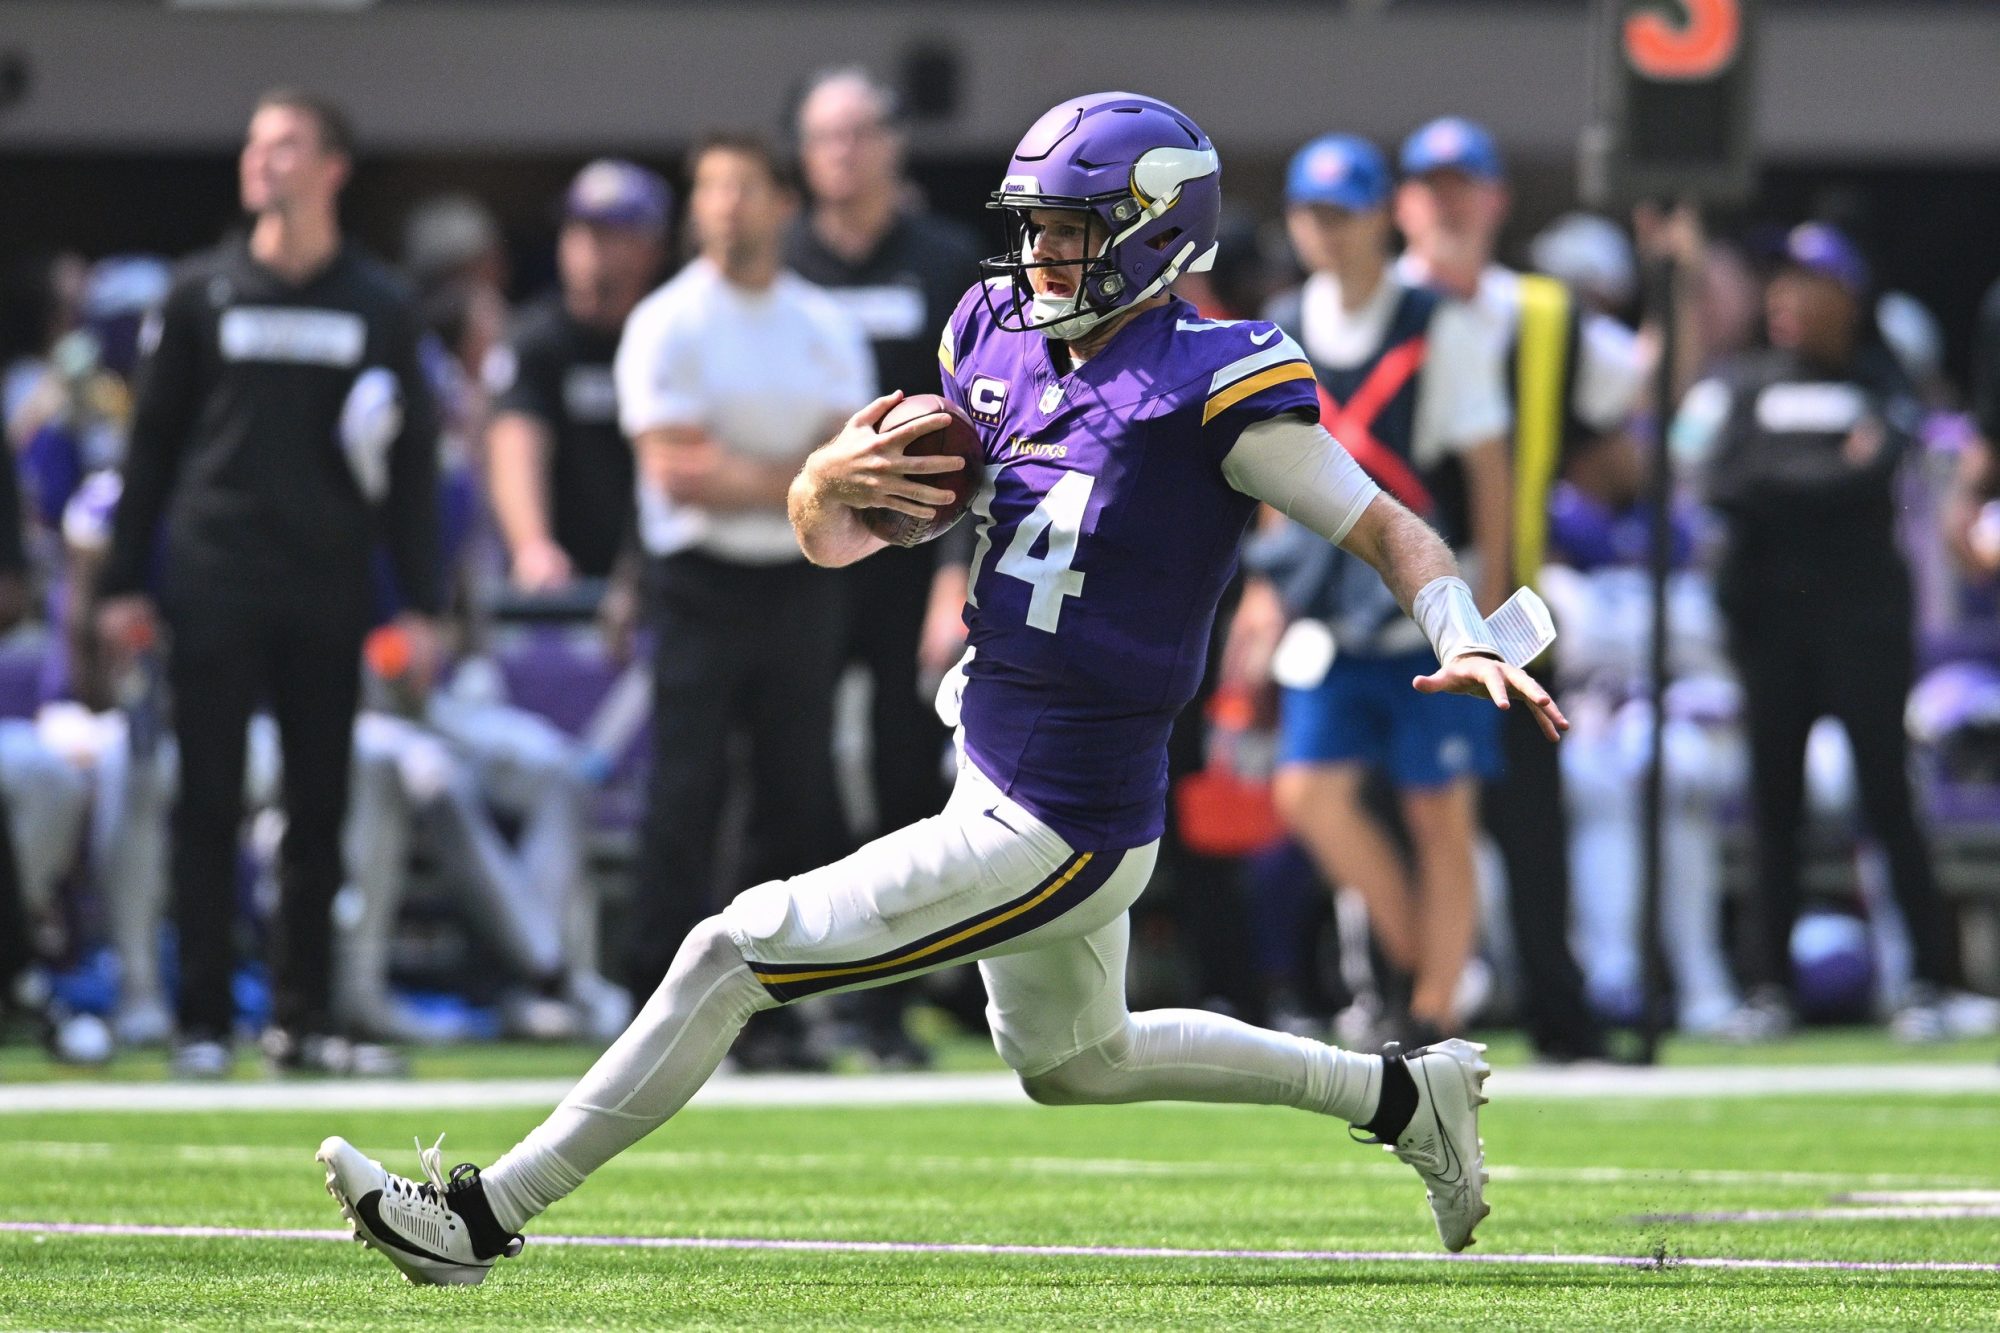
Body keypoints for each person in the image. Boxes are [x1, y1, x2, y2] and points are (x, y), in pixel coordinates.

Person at [318, 92, 1566, 1285]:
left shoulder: (1212, 386)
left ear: (1153, 231)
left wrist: (1459, 623)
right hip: (996, 756)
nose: (1042, 259)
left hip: (1062, 813)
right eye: (1034, 230)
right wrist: (820, 481)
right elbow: (827, 539)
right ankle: (1407, 1096)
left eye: (1072, 233)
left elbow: (1392, 529)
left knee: (732, 947)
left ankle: (482, 1216)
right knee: (1078, 1061)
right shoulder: (992, 352)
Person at [96, 89, 440, 1078]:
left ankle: (304, 1016)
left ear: (333, 166)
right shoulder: (201, 292)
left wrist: (420, 606)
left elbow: (412, 472)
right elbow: (150, 449)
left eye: (285, 144)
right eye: (254, 144)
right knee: (204, 800)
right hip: (214, 579)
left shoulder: (378, 303)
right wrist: (125, 581)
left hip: (325, 584)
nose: (263, 161)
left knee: (318, 805)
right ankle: (202, 1017)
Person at [1229, 133, 1511, 1047]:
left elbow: (1488, 467)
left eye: (1345, 215)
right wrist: (1269, 592)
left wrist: (1488, 597)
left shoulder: (1435, 320)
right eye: (1313, 216)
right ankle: (1424, 967)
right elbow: (1275, 477)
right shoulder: (1279, 324)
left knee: (1441, 809)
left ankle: (1432, 1006)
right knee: (1307, 792)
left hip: (1422, 603)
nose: (1330, 234)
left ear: (1384, 217)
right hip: (1325, 600)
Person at [608, 133, 873, 1069]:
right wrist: (804, 473)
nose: (722, 204)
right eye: (709, 185)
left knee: (795, 796)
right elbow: (679, 473)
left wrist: (769, 475)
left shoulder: (819, 321)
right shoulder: (666, 322)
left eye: (742, 186)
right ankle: (653, 1000)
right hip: (698, 583)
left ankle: (772, 1006)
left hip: (800, 578)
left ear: (782, 204)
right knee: (685, 790)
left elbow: (855, 465)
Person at [1394, 116, 1646, 1062]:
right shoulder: (1370, 304)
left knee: (1529, 826)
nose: (1448, 200)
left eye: (1467, 181)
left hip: (1508, 608)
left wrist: (1677, 278)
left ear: (1498, 198)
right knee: (1401, 814)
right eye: (1430, 182)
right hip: (1392, 608)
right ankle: (1403, 1004)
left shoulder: (1544, 312)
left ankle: (1557, 1006)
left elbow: (1631, 415)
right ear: (1402, 203)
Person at [1682, 223, 1968, 1042]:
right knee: (1773, 806)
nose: (1784, 299)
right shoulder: (1742, 383)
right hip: (1771, 628)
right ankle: (1768, 987)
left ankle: (1926, 981)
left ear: (1847, 296)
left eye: (1807, 283)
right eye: (1779, 284)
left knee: (1888, 796)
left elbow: (1871, 470)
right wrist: (1828, 474)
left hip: (1865, 629)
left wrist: (1796, 479)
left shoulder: (1885, 382)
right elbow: (1729, 480)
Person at [785, 67, 983, 1066]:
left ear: (893, 144)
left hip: (912, 560)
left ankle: (888, 1002)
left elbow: (977, 429)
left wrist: (952, 574)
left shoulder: (944, 260)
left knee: (909, 775)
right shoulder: (782, 265)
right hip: (805, 558)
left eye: (859, 133)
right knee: (795, 769)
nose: (842, 153)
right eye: (824, 135)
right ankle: (796, 994)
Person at [486, 161, 669, 590]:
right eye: (576, 232)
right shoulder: (535, 338)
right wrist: (533, 547)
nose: (586, 249)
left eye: (606, 235)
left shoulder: (674, 334)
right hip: (563, 585)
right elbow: (515, 438)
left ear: (650, 247)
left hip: (664, 579)